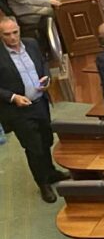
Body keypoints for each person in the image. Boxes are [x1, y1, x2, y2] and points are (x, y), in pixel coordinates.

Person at [0, 16, 67, 201]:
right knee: (33, 148)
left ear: (19, 29)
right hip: (18, 111)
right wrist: (13, 97)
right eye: (7, 34)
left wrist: (46, 78)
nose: (13, 37)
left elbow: (43, 63)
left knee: (46, 140)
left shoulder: (31, 43)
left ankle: (51, 172)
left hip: (40, 103)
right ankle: (43, 184)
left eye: (15, 32)